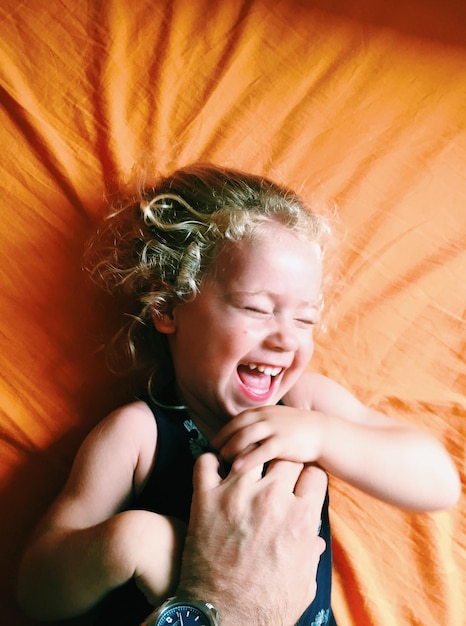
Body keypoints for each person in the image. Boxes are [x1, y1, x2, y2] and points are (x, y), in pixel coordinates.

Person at [17, 164, 460, 626]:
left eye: (305, 319)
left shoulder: (305, 405)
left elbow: (438, 483)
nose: (287, 339)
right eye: (257, 308)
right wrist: (129, 541)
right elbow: (36, 590)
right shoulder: (139, 434)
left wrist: (325, 437)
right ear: (167, 307)